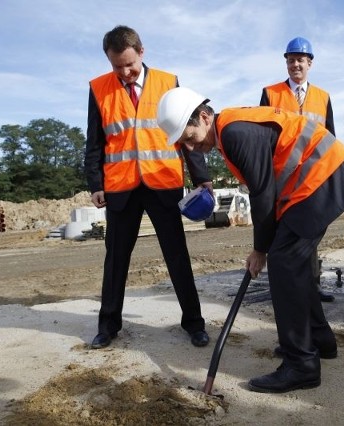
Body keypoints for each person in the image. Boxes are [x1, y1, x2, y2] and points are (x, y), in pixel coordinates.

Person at [156, 87, 344, 393]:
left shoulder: (234, 134)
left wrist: (260, 250)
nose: (190, 146)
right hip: (319, 179)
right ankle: (319, 340)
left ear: (204, 117)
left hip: (324, 177)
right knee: (290, 261)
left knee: (284, 262)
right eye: (183, 143)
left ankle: (301, 364)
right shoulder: (230, 130)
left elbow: (262, 193)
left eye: (189, 137)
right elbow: (270, 182)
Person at [84, 25, 212, 349]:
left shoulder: (168, 82)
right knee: (115, 260)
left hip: (162, 182)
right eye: (117, 67)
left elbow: (188, 128)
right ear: (108, 61)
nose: (125, 73)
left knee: (177, 256)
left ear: (142, 52)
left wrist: (201, 177)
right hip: (121, 187)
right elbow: (94, 142)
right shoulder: (99, 89)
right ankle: (108, 326)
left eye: (130, 64)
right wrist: (95, 183)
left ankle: (194, 324)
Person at [259, 36, 336, 303]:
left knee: (310, 233)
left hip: (313, 177)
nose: (295, 65)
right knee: (283, 233)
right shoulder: (271, 94)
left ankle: (312, 288)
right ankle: (284, 288)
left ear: (310, 63)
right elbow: (263, 135)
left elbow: (331, 139)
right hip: (283, 176)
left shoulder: (323, 97)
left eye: (300, 60)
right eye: (291, 61)